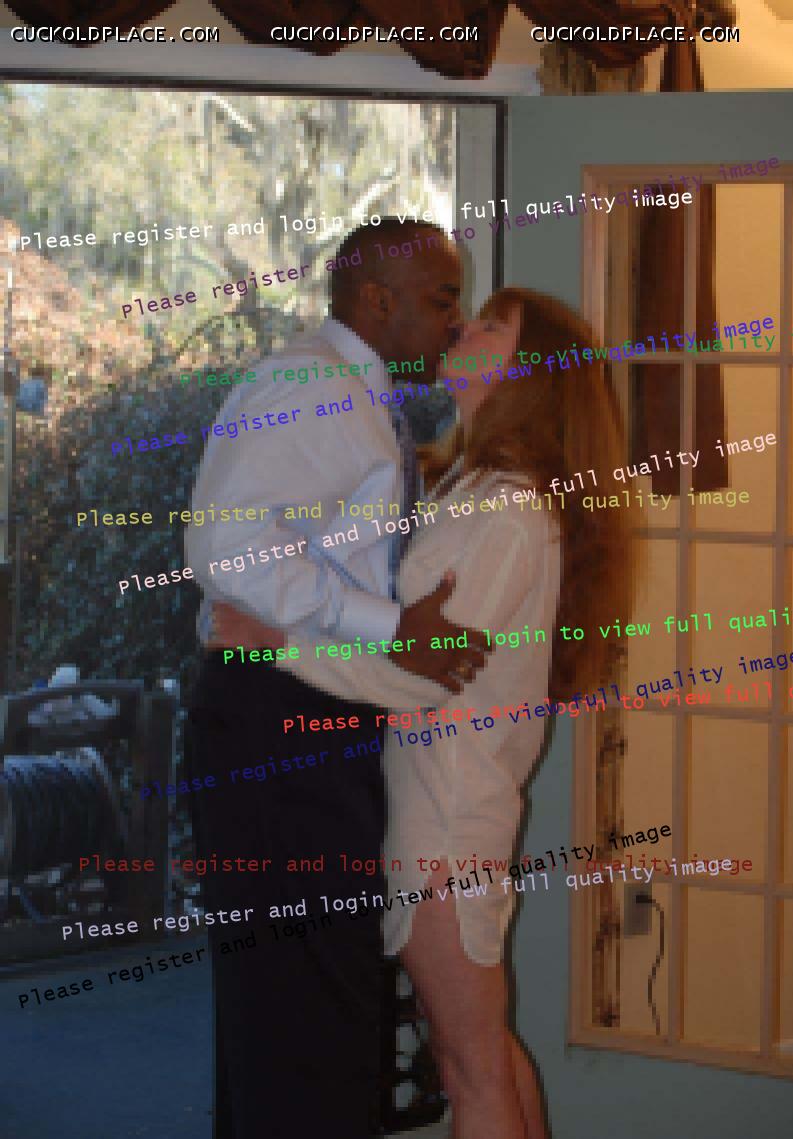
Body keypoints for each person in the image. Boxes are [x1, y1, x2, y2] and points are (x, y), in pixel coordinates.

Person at [210, 287, 638, 1139]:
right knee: (484, 1053)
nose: (463, 327)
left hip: (446, 826)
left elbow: (420, 675)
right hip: (448, 813)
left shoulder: (504, 509)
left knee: (470, 1067)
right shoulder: (479, 489)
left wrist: (274, 643)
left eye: (491, 326)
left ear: (527, 372)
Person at [183, 219, 492, 1139]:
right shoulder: (314, 383)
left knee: (303, 1016)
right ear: (377, 300)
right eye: (442, 299)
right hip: (277, 724)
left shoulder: (362, 397)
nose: (455, 320)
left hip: (306, 720)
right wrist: (390, 628)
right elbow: (226, 546)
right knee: (306, 1021)